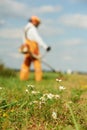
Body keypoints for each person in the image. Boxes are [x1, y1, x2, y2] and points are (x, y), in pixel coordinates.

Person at [19, 16, 51, 81]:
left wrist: (26, 47)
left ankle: (23, 78)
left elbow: (24, 39)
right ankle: (38, 79)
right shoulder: (32, 29)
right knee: (37, 63)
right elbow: (37, 39)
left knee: (26, 63)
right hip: (33, 48)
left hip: (27, 47)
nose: (38, 25)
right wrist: (45, 47)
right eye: (37, 23)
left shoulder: (25, 28)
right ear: (34, 22)